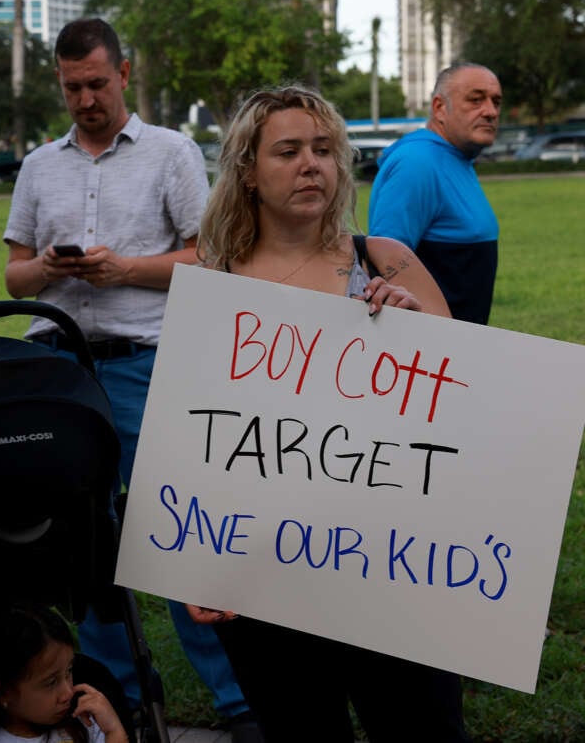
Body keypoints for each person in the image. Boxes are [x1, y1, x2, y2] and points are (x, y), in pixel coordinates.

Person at [2, 17, 259, 740]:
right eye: (71, 86)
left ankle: (237, 703)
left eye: (96, 83)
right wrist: (48, 268)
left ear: (125, 72)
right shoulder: (38, 166)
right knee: (84, 542)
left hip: (146, 362)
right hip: (58, 369)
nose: (85, 99)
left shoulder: (172, 152)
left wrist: (124, 270)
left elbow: (210, 260)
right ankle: (113, 694)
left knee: (177, 530)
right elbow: (14, 278)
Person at [190, 85, 468, 743]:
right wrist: (197, 561)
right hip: (266, 574)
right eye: (288, 151)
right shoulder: (215, 286)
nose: (311, 163)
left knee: (424, 729)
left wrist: (417, 327)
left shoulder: (387, 258)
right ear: (248, 173)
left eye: (324, 149)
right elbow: (198, 436)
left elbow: (465, 398)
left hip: (393, 562)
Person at [368, 62, 503, 324]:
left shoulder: (456, 158)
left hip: (463, 346)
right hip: (433, 352)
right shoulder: (417, 163)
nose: (491, 111)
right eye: (476, 100)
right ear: (440, 108)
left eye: (496, 102)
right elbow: (383, 265)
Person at [0, 603, 129, 743]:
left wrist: (114, 732)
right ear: (2, 692)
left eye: (69, 671)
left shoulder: (84, 726)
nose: (68, 693)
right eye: (51, 682)